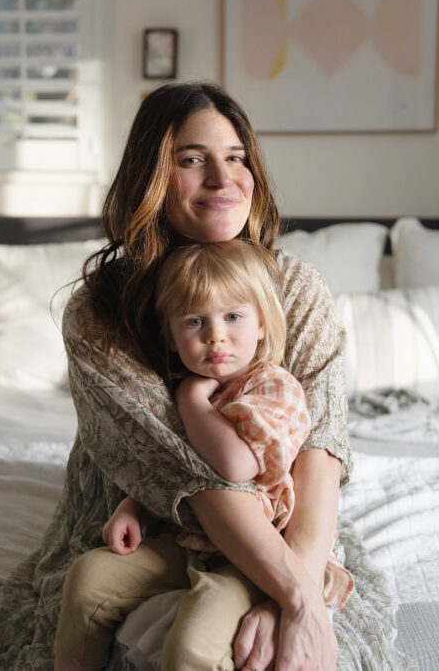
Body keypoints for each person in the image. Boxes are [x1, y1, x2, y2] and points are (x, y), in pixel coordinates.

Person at [0, 81, 409, 671]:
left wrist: (292, 593)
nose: (222, 177)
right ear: (150, 177)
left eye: (236, 158)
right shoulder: (99, 311)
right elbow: (192, 470)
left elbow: (321, 447)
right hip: (139, 513)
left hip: (279, 518)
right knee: (83, 588)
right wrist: (297, 597)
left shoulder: (296, 288)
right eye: (191, 159)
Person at [52, 239, 354, 670]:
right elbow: (178, 467)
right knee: (87, 579)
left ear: (263, 325)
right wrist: (135, 506)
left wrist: (193, 398)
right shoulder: (176, 390)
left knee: (194, 640)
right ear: (172, 337)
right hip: (189, 539)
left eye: (233, 316)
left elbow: (233, 465)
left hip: (254, 554)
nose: (216, 335)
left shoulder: (273, 387)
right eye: (195, 321)